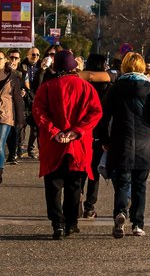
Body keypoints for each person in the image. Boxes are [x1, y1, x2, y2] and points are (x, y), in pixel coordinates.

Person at [32, 50, 103, 239]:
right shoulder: (87, 88)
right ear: (74, 67)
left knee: (53, 185)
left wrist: (55, 132)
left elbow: (38, 111)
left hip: (53, 144)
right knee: (74, 185)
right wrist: (76, 131)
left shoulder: (47, 87)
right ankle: (71, 222)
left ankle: (58, 224)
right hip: (78, 144)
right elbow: (96, 113)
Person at [98, 52, 150, 238]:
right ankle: (138, 224)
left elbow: (103, 117)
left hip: (121, 140)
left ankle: (120, 213)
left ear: (125, 67)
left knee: (122, 183)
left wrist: (104, 139)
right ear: (143, 67)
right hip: (144, 141)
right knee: (140, 185)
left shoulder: (115, 88)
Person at [77, 54, 113, 219]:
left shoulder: (80, 81)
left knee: (79, 169)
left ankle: (76, 198)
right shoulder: (108, 84)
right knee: (94, 171)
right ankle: (89, 207)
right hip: (99, 131)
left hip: (80, 129)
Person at [0, 49, 26, 184]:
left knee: (0, 142)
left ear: (5, 60)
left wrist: (20, 119)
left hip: (6, 114)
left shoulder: (13, 76)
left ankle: (0, 169)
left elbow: (17, 99)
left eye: (0, 59)